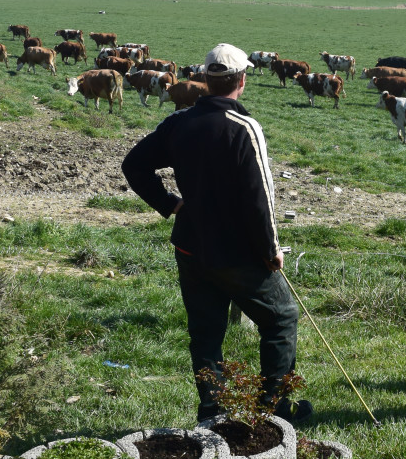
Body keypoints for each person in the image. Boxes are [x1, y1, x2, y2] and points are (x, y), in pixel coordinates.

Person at [121, 43, 312, 423]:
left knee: (206, 331)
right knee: (281, 318)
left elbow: (133, 165)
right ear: (242, 80)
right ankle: (274, 410)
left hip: (191, 246)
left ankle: (212, 410)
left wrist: (172, 204)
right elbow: (260, 197)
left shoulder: (179, 123)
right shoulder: (245, 127)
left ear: (206, 80)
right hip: (238, 251)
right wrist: (271, 248)